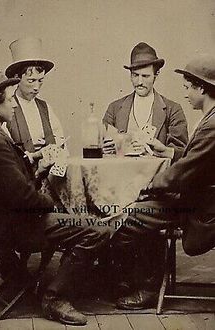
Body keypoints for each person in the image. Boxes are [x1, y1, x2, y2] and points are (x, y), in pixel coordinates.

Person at [0, 68, 110, 326]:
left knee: (84, 221)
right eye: (9, 99)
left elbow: (12, 187)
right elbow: (24, 199)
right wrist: (52, 204)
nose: (14, 105)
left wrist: (36, 171)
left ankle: (26, 282)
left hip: (0, 225)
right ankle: (54, 297)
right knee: (99, 228)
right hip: (16, 228)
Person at [112, 54, 215, 309]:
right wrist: (168, 153)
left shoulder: (212, 124)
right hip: (197, 197)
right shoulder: (210, 118)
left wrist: (147, 187)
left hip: (203, 208)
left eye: (188, 88)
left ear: (201, 88)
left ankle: (146, 287)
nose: (186, 94)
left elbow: (185, 170)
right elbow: (194, 159)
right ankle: (130, 280)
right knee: (144, 207)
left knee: (134, 215)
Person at [103, 42, 188, 161]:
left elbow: (181, 154)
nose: (139, 82)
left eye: (145, 76)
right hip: (121, 176)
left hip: (158, 178)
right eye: (135, 75)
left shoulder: (173, 110)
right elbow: (102, 147)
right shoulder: (114, 108)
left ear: (156, 75)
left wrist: (154, 150)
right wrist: (104, 149)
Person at [5, 37, 64, 153]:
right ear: (17, 78)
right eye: (31, 81)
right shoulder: (7, 107)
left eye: (40, 80)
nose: (36, 87)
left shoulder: (45, 107)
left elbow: (60, 140)